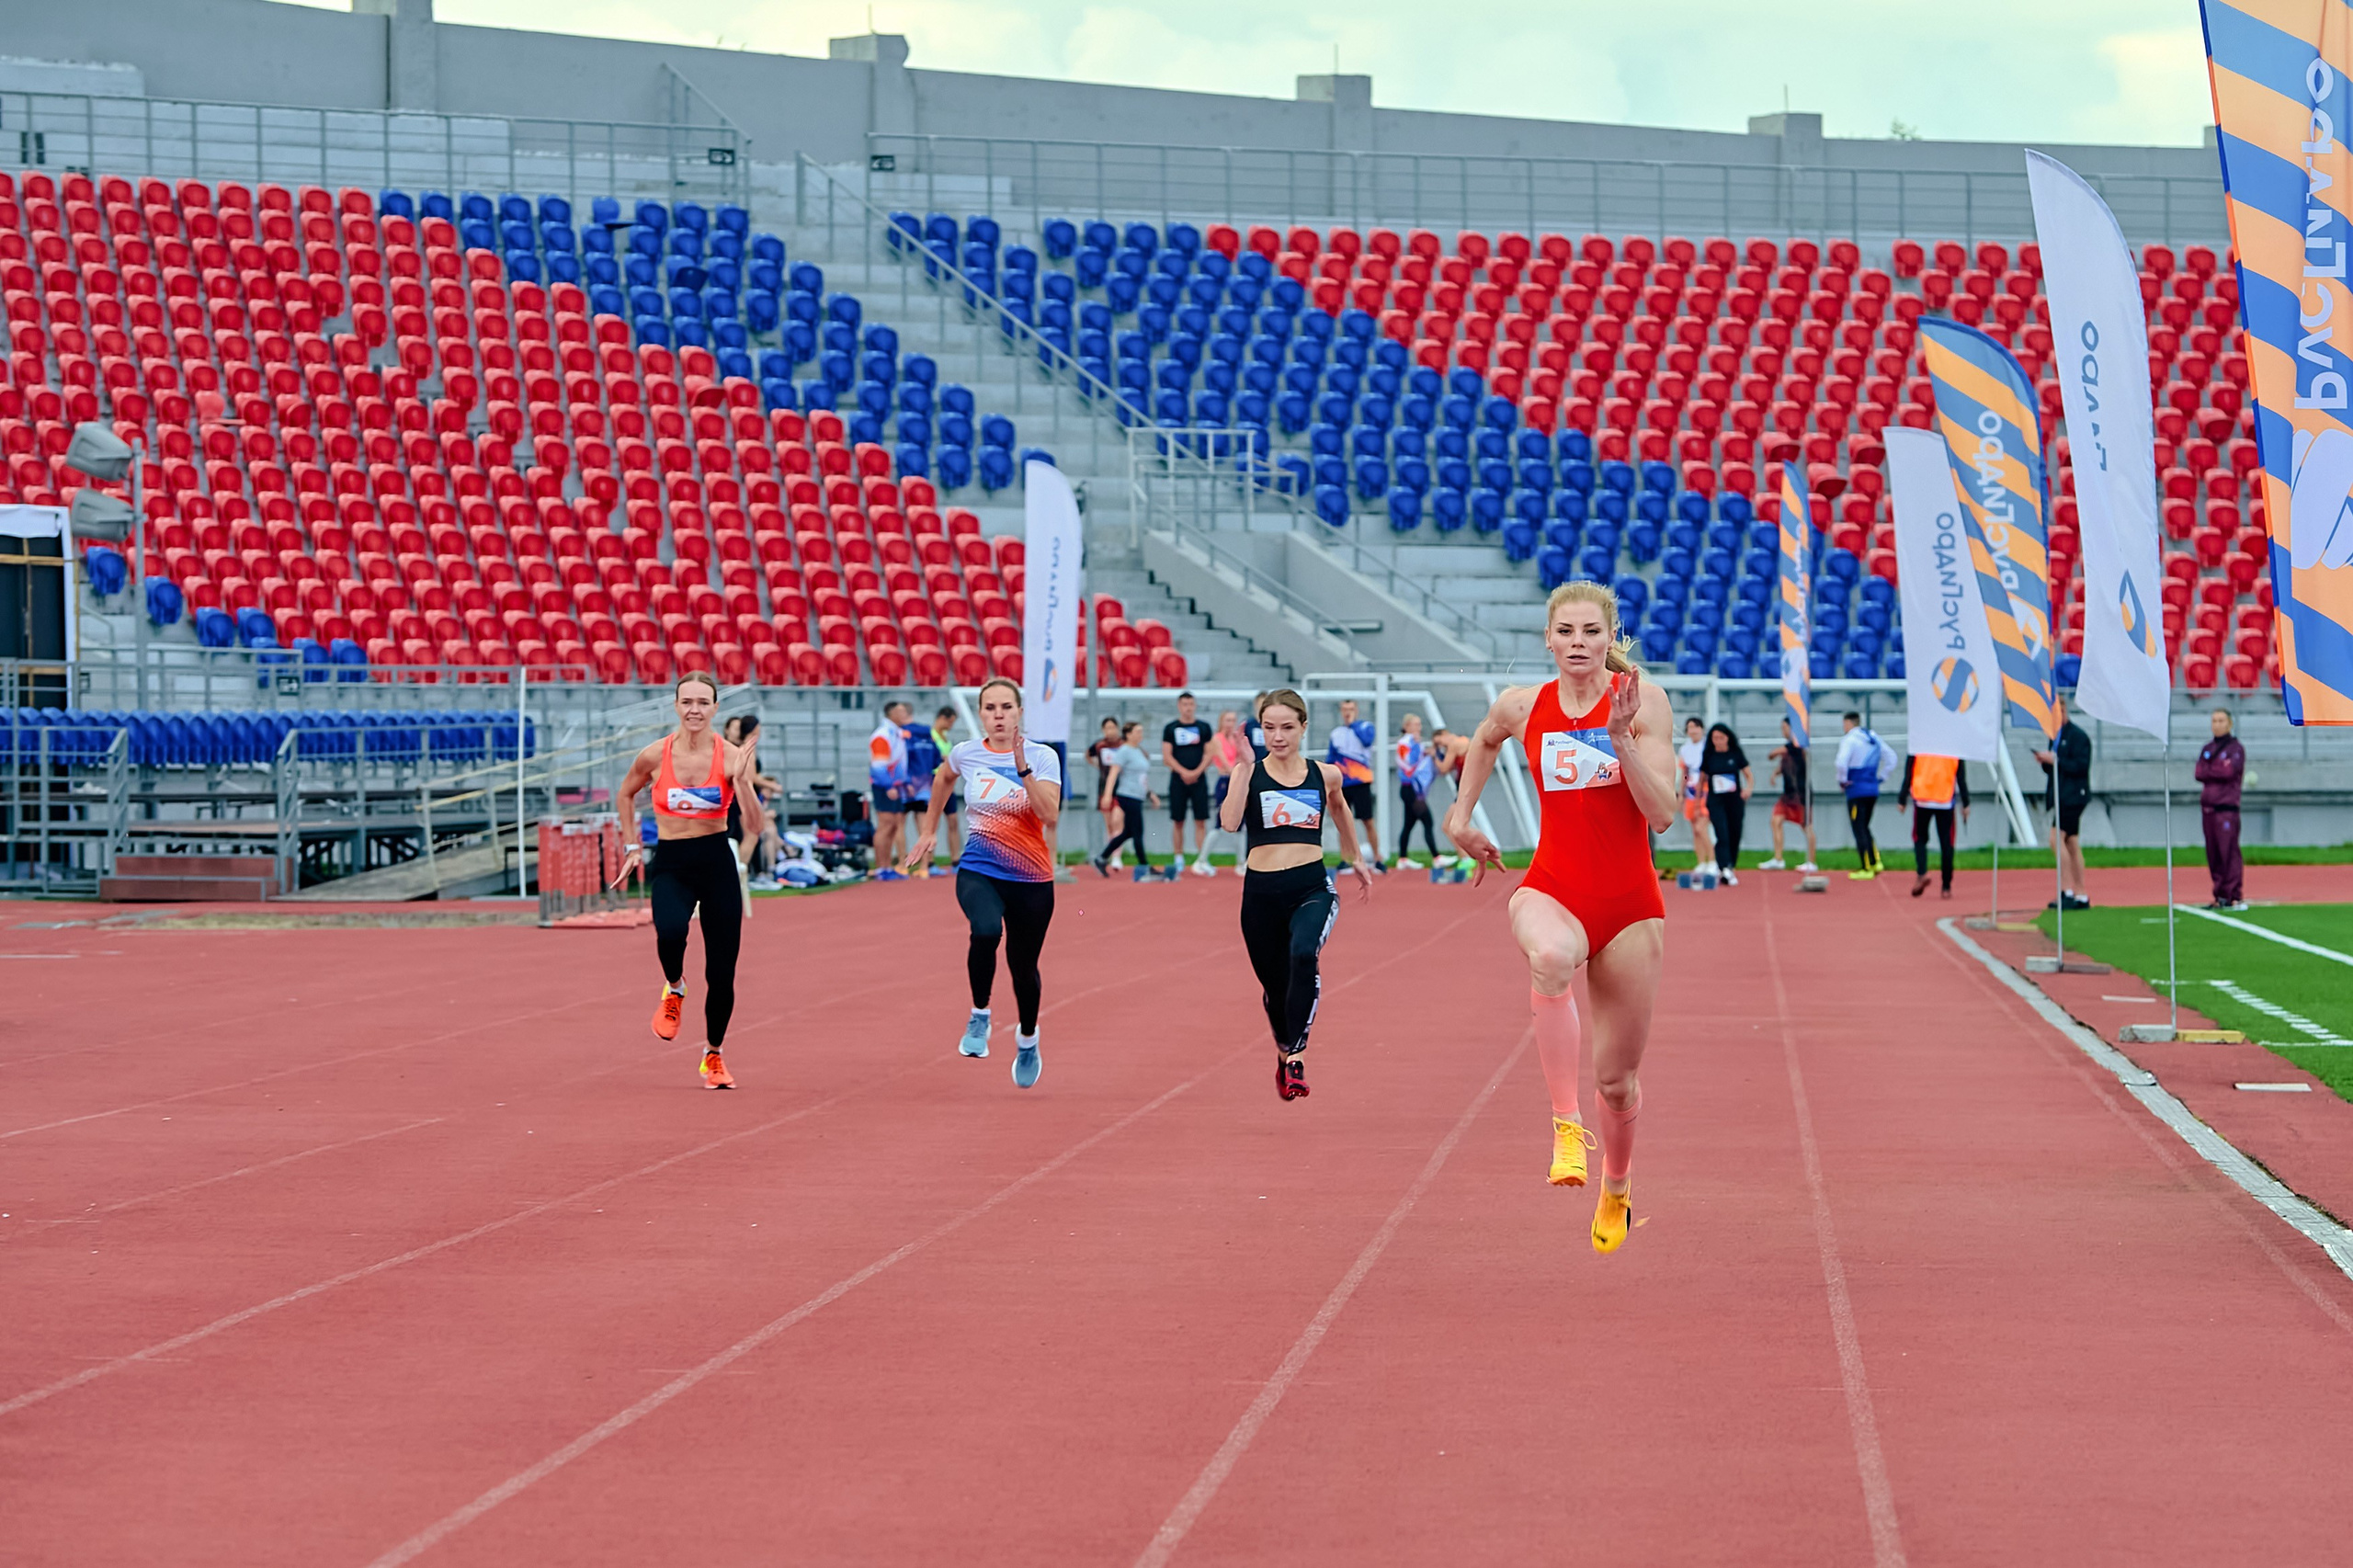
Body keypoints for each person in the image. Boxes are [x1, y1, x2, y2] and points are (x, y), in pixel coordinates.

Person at [1444, 581, 1675, 1256]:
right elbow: (1484, 740)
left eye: (1590, 632)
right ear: (1548, 639)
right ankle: (1566, 1127)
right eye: (1566, 632)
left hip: (1629, 906)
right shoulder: (1523, 706)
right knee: (1548, 957)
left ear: (1610, 639)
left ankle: (1617, 1185)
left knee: (1618, 1082)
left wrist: (1620, 739)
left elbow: (1663, 814)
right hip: (1553, 886)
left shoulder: (1644, 703)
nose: (1578, 643)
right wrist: (1461, 817)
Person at [901, 677, 1062, 1088]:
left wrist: (1023, 769)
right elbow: (943, 778)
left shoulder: (1043, 757)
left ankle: (1028, 1039)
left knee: (1023, 968)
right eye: (990, 708)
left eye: (1006, 707)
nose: (998, 716)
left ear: (1019, 712)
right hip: (980, 868)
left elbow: (1050, 815)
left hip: (1031, 877)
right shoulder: (966, 753)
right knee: (985, 930)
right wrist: (929, 829)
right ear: (981, 714)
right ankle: (980, 1016)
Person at [1219, 688, 1374, 1101]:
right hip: (1260, 895)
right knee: (1276, 989)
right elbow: (1230, 823)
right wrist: (1244, 767)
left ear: (1304, 728)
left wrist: (1355, 857)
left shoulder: (1325, 774)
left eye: (1287, 727)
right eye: (1269, 728)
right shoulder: (1248, 773)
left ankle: (1296, 1057)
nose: (1278, 736)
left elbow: (1340, 807)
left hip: (1311, 887)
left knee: (1304, 953)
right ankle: (1284, 1051)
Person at [615, 672, 767, 1089]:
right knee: (669, 932)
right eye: (687, 702)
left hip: (716, 863)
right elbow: (625, 793)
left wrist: (743, 783)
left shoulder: (732, 757)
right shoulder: (654, 755)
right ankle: (675, 988)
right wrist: (631, 846)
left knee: (721, 972)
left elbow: (755, 826)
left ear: (715, 708)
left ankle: (713, 1054)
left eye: (703, 702)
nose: (695, 710)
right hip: (673, 863)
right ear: (676, 706)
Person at [2033, 696, 2094, 910]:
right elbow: (2055, 768)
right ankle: (2081, 893)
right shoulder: (2055, 736)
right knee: (2071, 842)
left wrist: (2056, 760)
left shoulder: (2078, 737)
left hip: (2073, 796)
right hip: (2061, 795)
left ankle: (2067, 890)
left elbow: (2080, 766)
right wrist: (2045, 762)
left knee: (2055, 838)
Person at [1900, 752, 1970, 900]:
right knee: (1947, 843)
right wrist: (1966, 802)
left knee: (1919, 838)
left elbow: (1909, 771)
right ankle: (1946, 886)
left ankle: (1922, 873)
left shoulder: (1919, 745)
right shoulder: (1954, 748)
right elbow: (1961, 777)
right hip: (1944, 800)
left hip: (1923, 798)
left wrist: (1902, 797)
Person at [2196, 707, 2245, 910]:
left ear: (2230, 724)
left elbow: (2228, 772)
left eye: (2221, 720)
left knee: (2228, 852)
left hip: (2226, 809)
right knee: (2213, 854)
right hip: (2208, 809)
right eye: (2214, 721)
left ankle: (2233, 894)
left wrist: (2211, 769)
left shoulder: (2236, 749)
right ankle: (2219, 894)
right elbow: (2199, 772)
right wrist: (2217, 768)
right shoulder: (2207, 748)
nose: (2217, 724)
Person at [1094, 720, 1155, 875]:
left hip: (1138, 795)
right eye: (1137, 732)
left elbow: (1141, 777)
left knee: (1128, 832)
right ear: (1128, 734)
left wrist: (1150, 794)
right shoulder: (1124, 751)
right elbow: (1113, 773)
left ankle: (1102, 857)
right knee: (1137, 832)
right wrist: (1107, 795)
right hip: (1128, 795)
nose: (1141, 735)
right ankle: (1144, 866)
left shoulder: (1138, 751)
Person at [1835, 711, 1892, 881]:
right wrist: (1882, 777)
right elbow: (1892, 758)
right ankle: (1875, 861)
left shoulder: (1850, 739)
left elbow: (1841, 762)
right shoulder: (1872, 737)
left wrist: (1842, 781)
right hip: (1872, 788)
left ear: (1848, 723)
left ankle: (1866, 867)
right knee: (1865, 827)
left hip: (1856, 790)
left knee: (1859, 828)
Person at [1194, 709, 1250, 877]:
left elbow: (1242, 759)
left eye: (1233, 720)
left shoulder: (1235, 739)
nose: (1230, 724)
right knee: (1219, 823)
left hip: (1236, 780)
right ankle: (1201, 860)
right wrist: (1240, 774)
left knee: (1241, 823)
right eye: (1227, 720)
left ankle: (1241, 862)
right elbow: (1226, 763)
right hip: (1225, 782)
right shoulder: (1216, 739)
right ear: (1221, 722)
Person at [1161, 691, 1213, 872]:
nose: (1188, 708)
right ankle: (1178, 857)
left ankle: (1202, 858)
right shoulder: (1171, 728)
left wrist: (1196, 772)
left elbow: (1209, 753)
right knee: (1178, 820)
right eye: (1185, 704)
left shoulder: (1204, 727)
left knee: (1201, 820)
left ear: (1195, 706)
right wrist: (1183, 772)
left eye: (1191, 704)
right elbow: (1167, 756)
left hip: (1199, 780)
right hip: (1178, 780)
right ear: (1179, 706)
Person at [1758, 717, 1818, 872]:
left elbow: (1777, 753)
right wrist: (1775, 773)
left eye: (1784, 728)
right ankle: (1778, 859)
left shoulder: (1798, 745)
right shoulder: (1789, 749)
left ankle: (1811, 861)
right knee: (1776, 821)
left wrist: (1772, 754)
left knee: (1806, 826)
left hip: (1800, 794)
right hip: (1788, 794)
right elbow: (1787, 764)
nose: (1783, 731)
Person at [1698, 722, 1752, 884]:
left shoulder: (1735, 754)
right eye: (1715, 738)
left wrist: (1748, 789)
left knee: (1735, 833)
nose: (1718, 741)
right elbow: (1701, 780)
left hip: (1734, 801)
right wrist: (1698, 802)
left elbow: (1748, 775)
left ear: (1728, 738)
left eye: (1721, 738)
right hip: (1716, 801)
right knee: (1722, 833)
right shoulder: (1709, 755)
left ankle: (1731, 865)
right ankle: (1723, 867)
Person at [1324, 699, 1379, 849]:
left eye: (1351, 709)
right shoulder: (1336, 733)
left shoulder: (1365, 726)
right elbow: (1331, 758)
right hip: (1343, 783)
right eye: (1345, 710)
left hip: (1361, 781)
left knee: (1368, 820)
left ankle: (1376, 856)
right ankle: (1346, 857)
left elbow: (1367, 740)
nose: (1347, 713)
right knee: (1342, 823)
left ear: (1356, 710)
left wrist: (1353, 724)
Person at [868, 700, 913, 881]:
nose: (904, 714)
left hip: (896, 785)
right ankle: (881, 867)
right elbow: (878, 765)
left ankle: (887, 865)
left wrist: (906, 782)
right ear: (891, 714)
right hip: (884, 785)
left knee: (894, 825)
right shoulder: (883, 735)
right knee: (886, 824)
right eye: (900, 711)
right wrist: (888, 786)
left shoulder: (897, 734)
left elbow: (900, 760)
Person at [901, 704, 944, 877]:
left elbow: (902, 758)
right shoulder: (928, 734)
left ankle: (903, 866)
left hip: (905, 786)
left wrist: (907, 780)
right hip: (924, 786)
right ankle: (925, 867)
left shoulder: (903, 734)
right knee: (924, 829)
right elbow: (937, 759)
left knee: (899, 826)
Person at [1393, 712, 1441, 866]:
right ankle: (1436, 857)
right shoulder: (1406, 742)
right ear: (1407, 726)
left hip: (1413, 789)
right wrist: (1417, 746)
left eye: (1419, 724)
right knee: (1427, 820)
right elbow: (1409, 762)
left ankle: (1402, 858)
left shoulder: (1415, 743)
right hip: (1410, 789)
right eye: (1416, 724)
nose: (1419, 728)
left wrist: (1426, 753)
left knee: (1408, 824)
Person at [1675, 716, 1716, 885]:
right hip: (1691, 789)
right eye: (1690, 727)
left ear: (1702, 729)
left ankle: (1712, 861)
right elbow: (1685, 772)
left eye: (1696, 727)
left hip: (1705, 788)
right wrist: (1682, 793)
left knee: (1701, 826)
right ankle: (1701, 862)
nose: (1693, 731)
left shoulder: (1708, 746)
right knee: (1695, 828)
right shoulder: (1685, 749)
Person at [1086, 715, 1126, 867]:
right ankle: (1109, 853)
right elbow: (1088, 755)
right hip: (1103, 787)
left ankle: (1117, 857)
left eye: (1113, 727)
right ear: (1103, 730)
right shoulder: (1099, 746)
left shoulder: (1124, 745)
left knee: (1117, 820)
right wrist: (1098, 765)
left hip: (1121, 787)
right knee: (1109, 823)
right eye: (1107, 728)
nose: (1110, 731)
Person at [931, 706, 965, 865]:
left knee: (953, 820)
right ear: (943, 718)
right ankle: (929, 860)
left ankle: (955, 858)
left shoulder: (945, 737)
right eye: (951, 722)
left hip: (947, 783)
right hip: (934, 781)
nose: (951, 726)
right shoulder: (931, 736)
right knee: (933, 822)